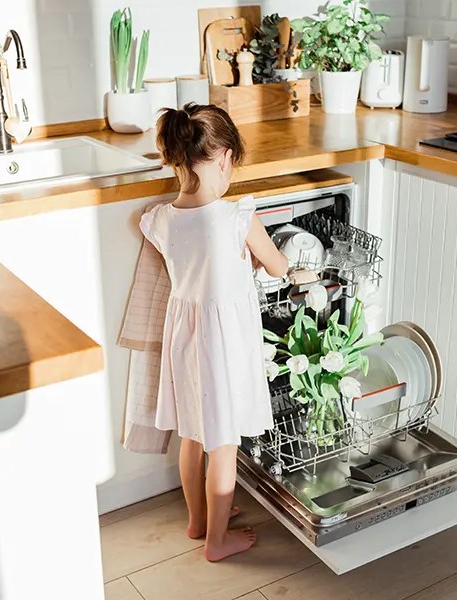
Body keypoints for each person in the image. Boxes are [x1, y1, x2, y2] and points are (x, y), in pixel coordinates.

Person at [139, 103, 288, 561]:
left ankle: (198, 521)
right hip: (224, 345)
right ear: (224, 157)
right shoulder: (238, 218)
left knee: (193, 435)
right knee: (223, 443)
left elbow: (167, 239)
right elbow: (279, 267)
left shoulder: (160, 219)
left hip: (185, 340)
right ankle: (217, 543)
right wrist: (265, 260)